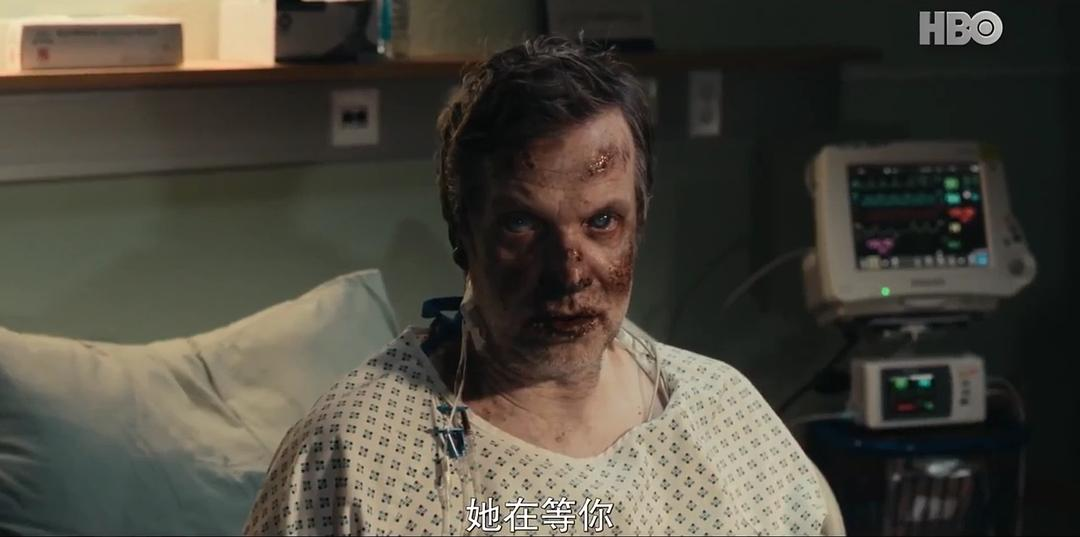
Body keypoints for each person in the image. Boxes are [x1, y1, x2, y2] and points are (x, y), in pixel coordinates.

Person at [243, 35, 843, 536]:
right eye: (522, 225)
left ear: (639, 222)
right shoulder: (353, 455)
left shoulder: (726, 421)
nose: (569, 272)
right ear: (462, 231)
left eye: (601, 222)